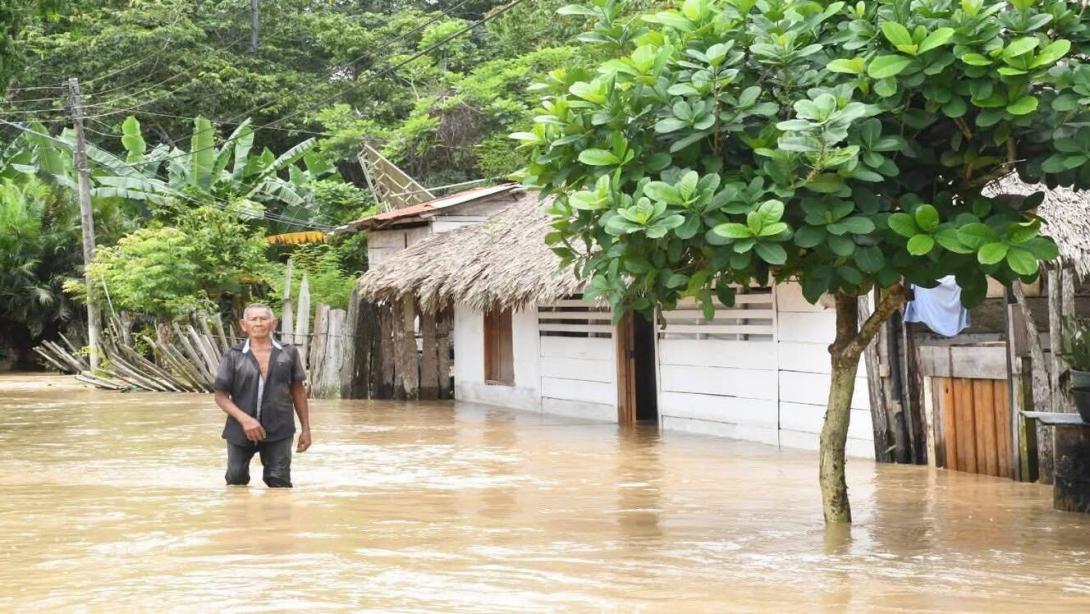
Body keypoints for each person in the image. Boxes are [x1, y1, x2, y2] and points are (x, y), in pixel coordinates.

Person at [213, 303, 311, 487]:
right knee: (235, 480)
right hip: (240, 429)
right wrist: (245, 420)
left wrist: (306, 428)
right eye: (253, 319)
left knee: (279, 483)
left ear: (273, 324)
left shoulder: (288, 353)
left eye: (264, 319)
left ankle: (275, 515)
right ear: (244, 325)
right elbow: (220, 396)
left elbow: (298, 390)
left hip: (279, 427)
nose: (259, 323)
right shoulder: (233, 355)